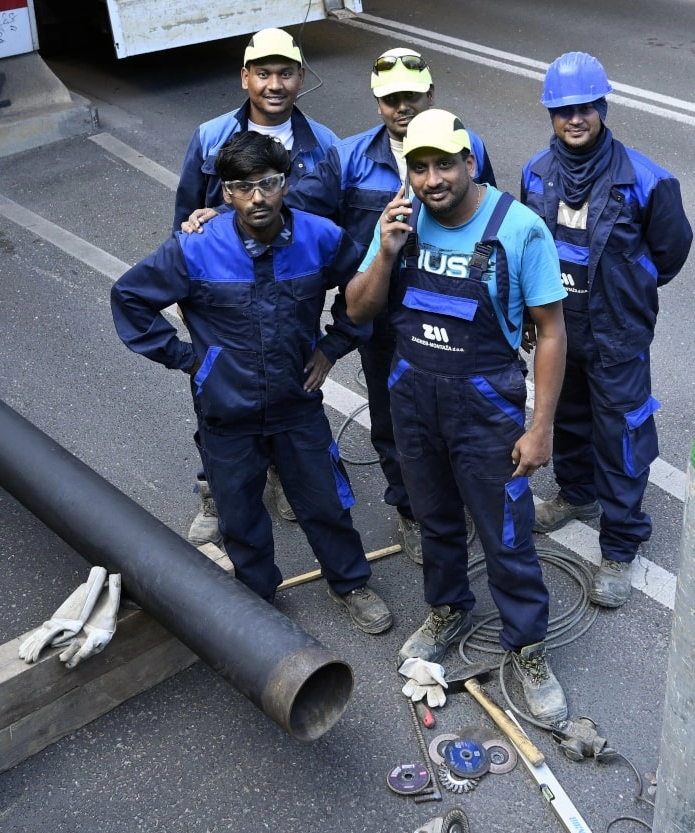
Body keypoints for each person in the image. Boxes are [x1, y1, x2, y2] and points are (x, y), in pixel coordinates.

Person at [186, 48, 496, 566]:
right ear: (377, 102)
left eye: (411, 96)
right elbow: (287, 205)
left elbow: (490, 222)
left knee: (459, 414)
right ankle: (413, 511)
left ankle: (456, 499)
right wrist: (218, 213)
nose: (402, 106)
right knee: (394, 421)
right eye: (391, 98)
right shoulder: (348, 158)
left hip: (452, 312)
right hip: (385, 317)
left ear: (431, 94)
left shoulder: (467, 146)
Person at [112, 132, 392, 635]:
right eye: (243, 187)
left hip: (296, 403)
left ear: (285, 184)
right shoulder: (197, 246)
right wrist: (189, 360)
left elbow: (364, 290)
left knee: (324, 504)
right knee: (239, 517)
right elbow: (130, 298)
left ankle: (350, 583)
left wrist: (333, 347)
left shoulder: (320, 237)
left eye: (268, 183)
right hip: (227, 410)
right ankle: (259, 599)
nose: (257, 197)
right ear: (226, 192)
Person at [346, 109, 570, 724]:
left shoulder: (518, 228)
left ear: (470, 162)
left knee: (505, 533)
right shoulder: (399, 221)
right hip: (414, 400)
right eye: (419, 167)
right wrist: (385, 253)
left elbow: (552, 332)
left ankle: (528, 646)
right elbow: (359, 311)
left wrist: (541, 427)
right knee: (435, 520)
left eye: (444, 164)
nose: (432, 179)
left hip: (486, 408)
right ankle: (448, 610)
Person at [521, 52, 693, 609]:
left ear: (602, 107)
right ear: (551, 113)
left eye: (586, 107)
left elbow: (671, 252)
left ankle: (620, 546)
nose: (575, 118)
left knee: (621, 438)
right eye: (563, 109)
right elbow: (529, 250)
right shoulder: (536, 174)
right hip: (559, 331)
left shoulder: (647, 180)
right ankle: (577, 494)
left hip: (617, 333)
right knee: (569, 418)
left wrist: (627, 291)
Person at [173, 27, 340, 545]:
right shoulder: (210, 136)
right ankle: (215, 486)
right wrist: (186, 296)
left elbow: (335, 230)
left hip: (290, 300)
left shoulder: (326, 146)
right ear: (244, 77)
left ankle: (285, 473)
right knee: (217, 397)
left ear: (301, 77)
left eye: (285, 73)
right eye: (263, 73)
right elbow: (185, 220)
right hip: (223, 300)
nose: (274, 84)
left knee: (293, 386)